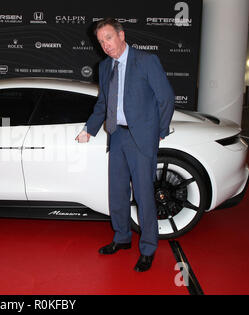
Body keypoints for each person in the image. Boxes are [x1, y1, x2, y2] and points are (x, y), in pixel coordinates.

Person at [75, 18, 174, 272]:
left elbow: (166, 98)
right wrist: (89, 129)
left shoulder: (145, 61)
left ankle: (148, 247)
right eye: (100, 41)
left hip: (141, 138)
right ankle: (121, 239)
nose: (105, 45)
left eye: (108, 38)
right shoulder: (105, 67)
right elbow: (102, 104)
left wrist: (159, 132)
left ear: (121, 35)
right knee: (117, 193)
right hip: (117, 136)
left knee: (143, 195)